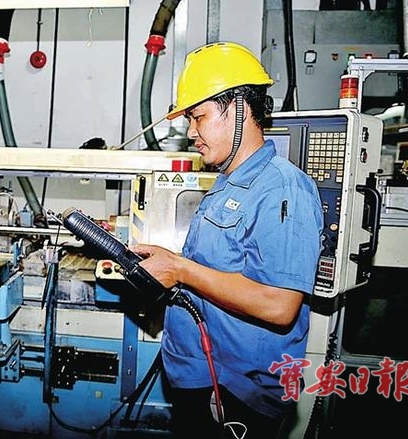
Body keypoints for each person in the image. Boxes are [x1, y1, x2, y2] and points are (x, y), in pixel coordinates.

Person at [131, 42, 324, 438]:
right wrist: (169, 263)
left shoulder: (283, 188)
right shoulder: (227, 182)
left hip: (237, 392)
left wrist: (180, 269)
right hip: (200, 376)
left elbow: (279, 304)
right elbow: (217, 269)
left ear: (237, 108)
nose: (191, 132)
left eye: (198, 117)